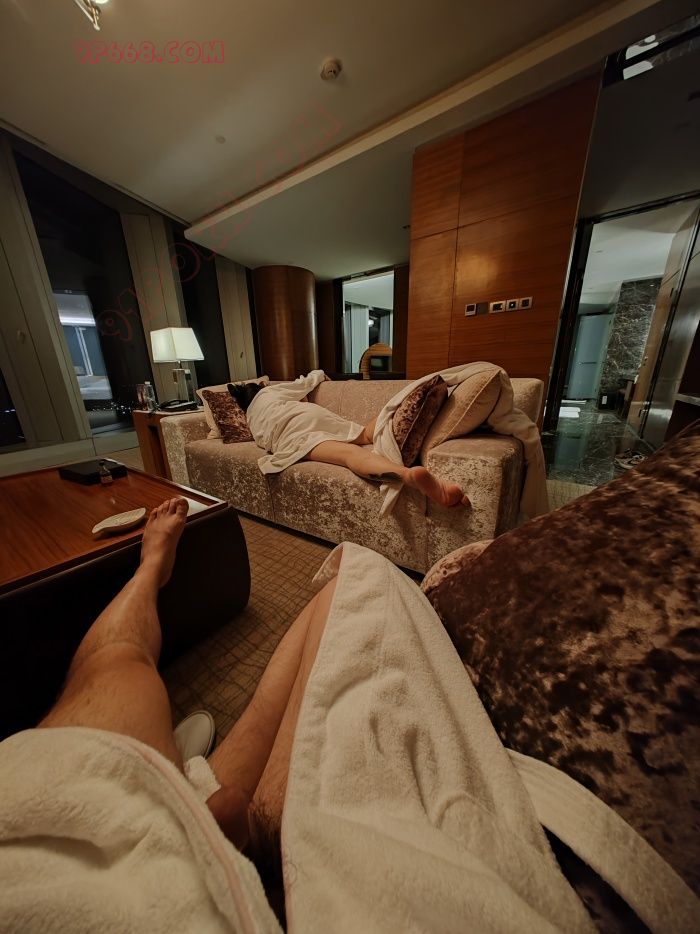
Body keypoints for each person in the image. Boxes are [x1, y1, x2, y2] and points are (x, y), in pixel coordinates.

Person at [230, 372, 470, 509]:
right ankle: (397, 411)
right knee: (365, 435)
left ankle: (406, 476)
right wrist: (320, 375)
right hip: (305, 416)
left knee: (350, 455)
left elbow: (265, 443)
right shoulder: (269, 392)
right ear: (259, 388)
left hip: (290, 435)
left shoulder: (252, 419)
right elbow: (307, 381)